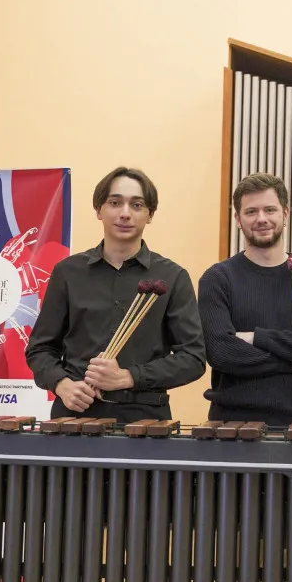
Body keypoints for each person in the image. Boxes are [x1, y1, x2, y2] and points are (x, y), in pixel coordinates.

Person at [26, 167, 206, 423]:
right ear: (99, 210)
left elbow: (193, 359)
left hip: (145, 420)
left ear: (150, 215)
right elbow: (40, 349)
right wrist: (61, 384)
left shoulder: (172, 277)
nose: (125, 213)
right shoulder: (68, 272)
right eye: (115, 203)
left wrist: (129, 377)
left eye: (137, 205)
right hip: (75, 415)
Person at [198, 173, 292, 426]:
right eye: (251, 211)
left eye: (270, 210)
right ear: (238, 219)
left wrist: (257, 337)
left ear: (285, 214)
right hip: (231, 426)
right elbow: (221, 353)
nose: (261, 219)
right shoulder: (217, 279)